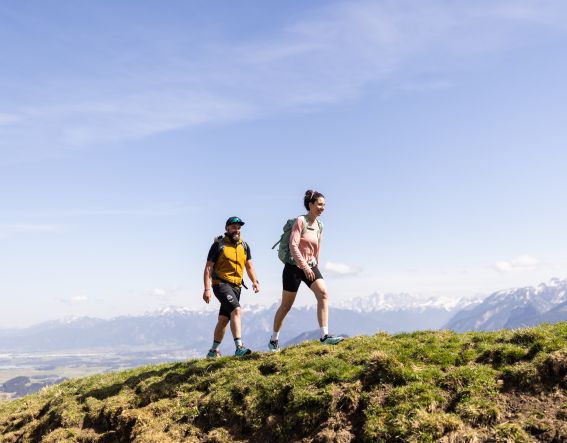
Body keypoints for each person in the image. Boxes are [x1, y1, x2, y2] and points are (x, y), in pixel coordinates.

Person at [268, 190, 343, 351]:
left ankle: (324, 336)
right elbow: (293, 245)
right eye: (320, 204)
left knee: (323, 293)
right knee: (286, 305)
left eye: (324, 205)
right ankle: (274, 340)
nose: (323, 208)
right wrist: (304, 266)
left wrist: (315, 266)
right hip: (293, 267)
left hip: (311, 265)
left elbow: (318, 247)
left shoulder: (320, 225)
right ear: (310, 205)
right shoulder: (301, 221)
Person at [203, 216, 260, 357]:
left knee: (223, 320)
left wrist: (255, 281)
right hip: (220, 284)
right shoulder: (219, 245)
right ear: (227, 229)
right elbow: (208, 268)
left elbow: (249, 266)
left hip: (237, 287)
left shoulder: (244, 246)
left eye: (239, 228)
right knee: (236, 310)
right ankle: (239, 348)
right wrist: (207, 289)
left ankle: (213, 351)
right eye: (234, 227)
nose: (237, 230)